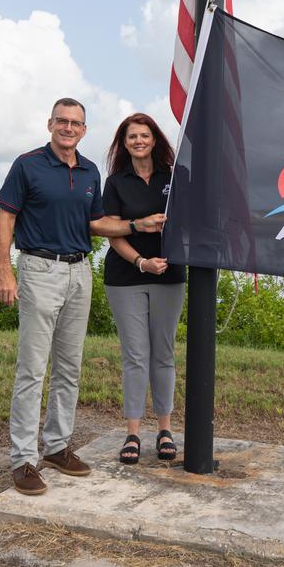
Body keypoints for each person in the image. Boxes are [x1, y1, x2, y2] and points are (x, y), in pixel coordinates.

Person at [0, 98, 166, 496]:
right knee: (32, 369)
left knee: (70, 367)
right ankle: (23, 459)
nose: (69, 128)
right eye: (63, 121)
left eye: (76, 123)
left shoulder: (89, 171)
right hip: (39, 269)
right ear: (50, 123)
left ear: (85, 130)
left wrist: (135, 223)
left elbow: (95, 222)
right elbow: (6, 217)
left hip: (79, 271)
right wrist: (4, 268)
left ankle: (56, 446)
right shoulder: (28, 164)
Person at [100, 113, 187, 465]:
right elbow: (110, 230)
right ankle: (133, 433)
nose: (138, 141)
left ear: (155, 140)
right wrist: (141, 262)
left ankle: (165, 429)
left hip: (169, 275)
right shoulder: (116, 182)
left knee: (163, 354)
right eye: (132, 136)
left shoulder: (175, 176)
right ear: (124, 143)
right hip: (126, 276)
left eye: (144, 135)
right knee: (136, 356)